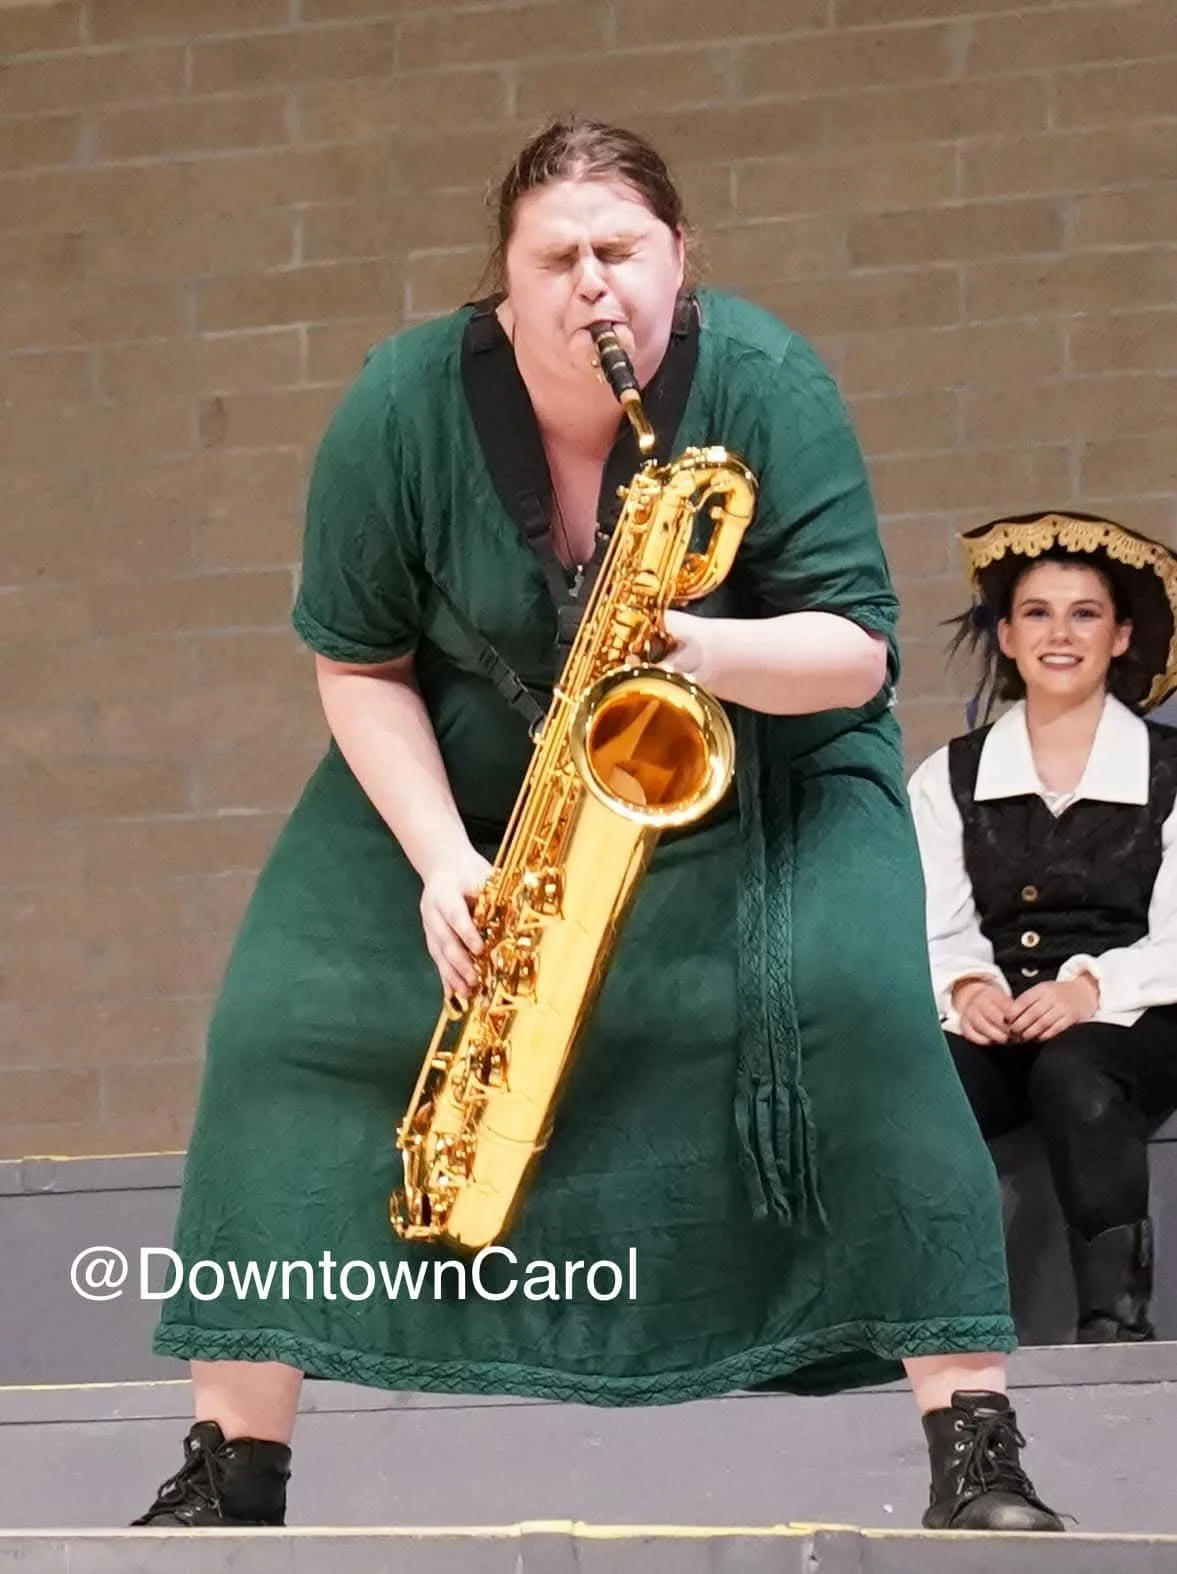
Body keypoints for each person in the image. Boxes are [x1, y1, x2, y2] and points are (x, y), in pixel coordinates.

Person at [131, 117, 1063, 1535]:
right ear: (503, 290)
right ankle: (231, 1467)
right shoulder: (400, 404)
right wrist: (446, 861)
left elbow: (856, 653)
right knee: (281, 1024)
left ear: (679, 259)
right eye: (555, 258)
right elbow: (358, 661)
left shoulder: (763, 377)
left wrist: (679, 648)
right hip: (468, 781)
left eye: (620, 251)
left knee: (865, 1010)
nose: (593, 286)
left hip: (761, 768)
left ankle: (975, 1442)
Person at [908, 510, 1177, 1345]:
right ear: (1008, 635)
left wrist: (1089, 987)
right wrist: (964, 987)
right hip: (1000, 1015)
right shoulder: (946, 776)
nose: (1059, 634)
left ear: (1121, 635)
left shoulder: (1168, 774)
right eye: (1036, 613)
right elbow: (930, 925)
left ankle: (1113, 1326)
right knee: (910, 1089)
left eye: (1084, 613)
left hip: (1139, 1013)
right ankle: (919, 1323)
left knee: (1076, 1076)